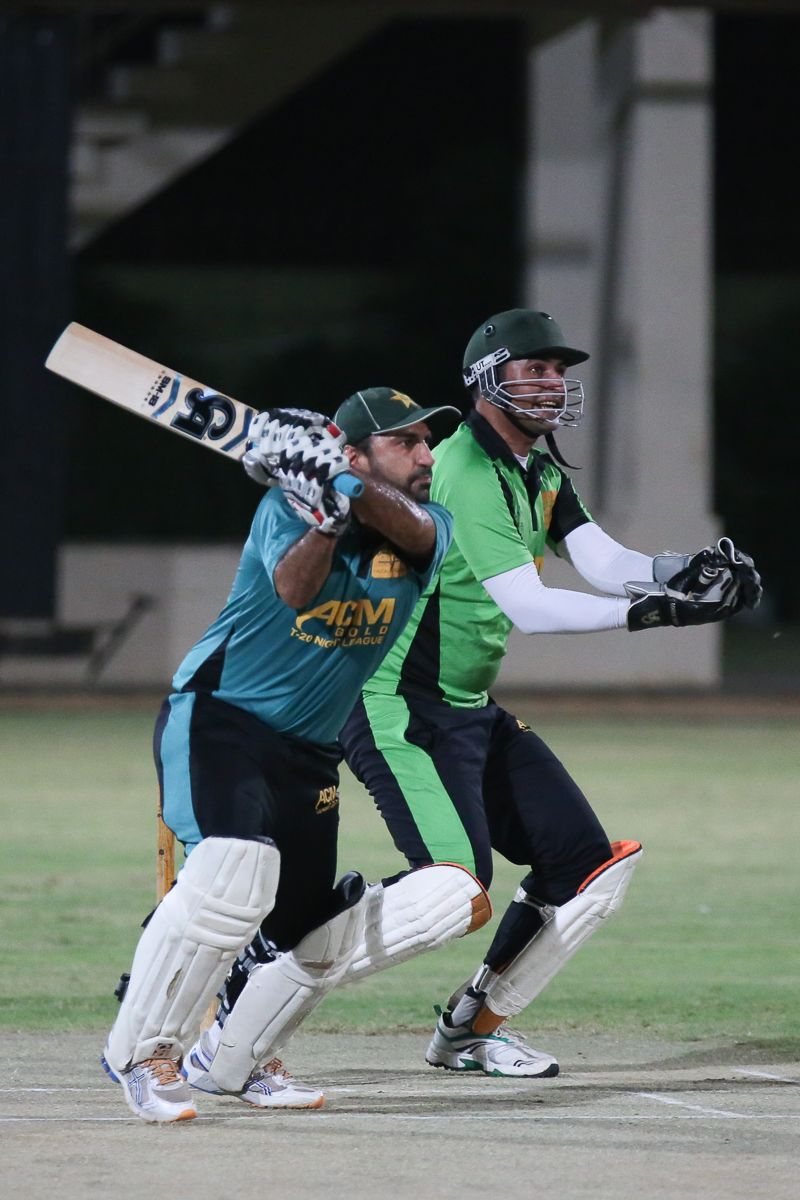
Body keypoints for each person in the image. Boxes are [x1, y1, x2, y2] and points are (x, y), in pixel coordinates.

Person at [335, 308, 762, 1078]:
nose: (553, 383)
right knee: (454, 891)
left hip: (467, 707)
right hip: (400, 703)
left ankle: (470, 1028)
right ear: (485, 380)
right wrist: (657, 611)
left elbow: (600, 559)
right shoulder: (466, 467)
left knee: (584, 865)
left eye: (558, 370)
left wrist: (679, 573)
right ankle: (279, 958)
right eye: (533, 368)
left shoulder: (535, 467)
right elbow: (527, 606)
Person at [102, 390, 467, 1123]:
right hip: (221, 719)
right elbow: (296, 592)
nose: (428, 456)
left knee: (314, 931)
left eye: (428, 442)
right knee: (234, 871)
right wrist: (327, 515)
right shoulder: (285, 510)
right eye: (407, 442)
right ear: (355, 449)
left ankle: (236, 1061)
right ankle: (143, 1053)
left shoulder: (428, 526)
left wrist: (341, 482)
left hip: (309, 751)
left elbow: (412, 529)